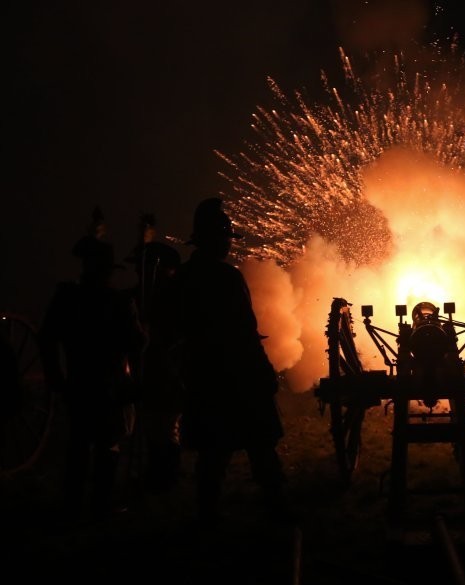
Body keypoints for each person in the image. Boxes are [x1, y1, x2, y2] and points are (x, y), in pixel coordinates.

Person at [161, 197, 293, 527]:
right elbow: (246, 330)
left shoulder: (182, 278)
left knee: (212, 450)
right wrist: (263, 370)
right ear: (213, 239)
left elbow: (173, 328)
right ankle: (275, 507)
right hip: (237, 374)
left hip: (203, 375)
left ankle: (208, 513)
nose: (228, 245)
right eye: (224, 238)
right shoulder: (228, 278)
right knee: (260, 445)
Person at [39, 230, 145, 521]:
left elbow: (47, 338)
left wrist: (56, 375)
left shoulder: (67, 298)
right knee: (107, 444)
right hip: (109, 385)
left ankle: (73, 504)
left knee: (79, 442)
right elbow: (135, 343)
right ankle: (99, 504)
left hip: (79, 381)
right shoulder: (118, 302)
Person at [124, 213, 184, 492]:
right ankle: (156, 474)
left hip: (168, 370)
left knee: (166, 426)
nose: (140, 272)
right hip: (148, 369)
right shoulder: (137, 297)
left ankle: (167, 475)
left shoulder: (173, 297)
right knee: (150, 425)